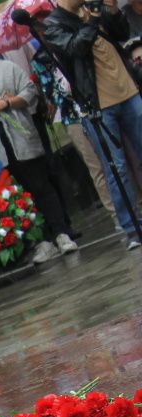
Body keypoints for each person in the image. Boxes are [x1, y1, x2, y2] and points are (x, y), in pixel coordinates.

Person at [0, 31, 79, 262]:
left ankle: (61, 232)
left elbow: (29, 92)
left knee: (41, 185)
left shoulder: (7, 68)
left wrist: (8, 102)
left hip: (22, 138)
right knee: (18, 194)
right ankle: (41, 240)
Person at [43, 0, 142, 247]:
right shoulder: (53, 24)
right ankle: (131, 228)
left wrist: (113, 11)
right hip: (98, 104)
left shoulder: (93, 8)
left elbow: (122, 34)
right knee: (115, 167)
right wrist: (94, 19)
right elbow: (75, 49)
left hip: (128, 91)